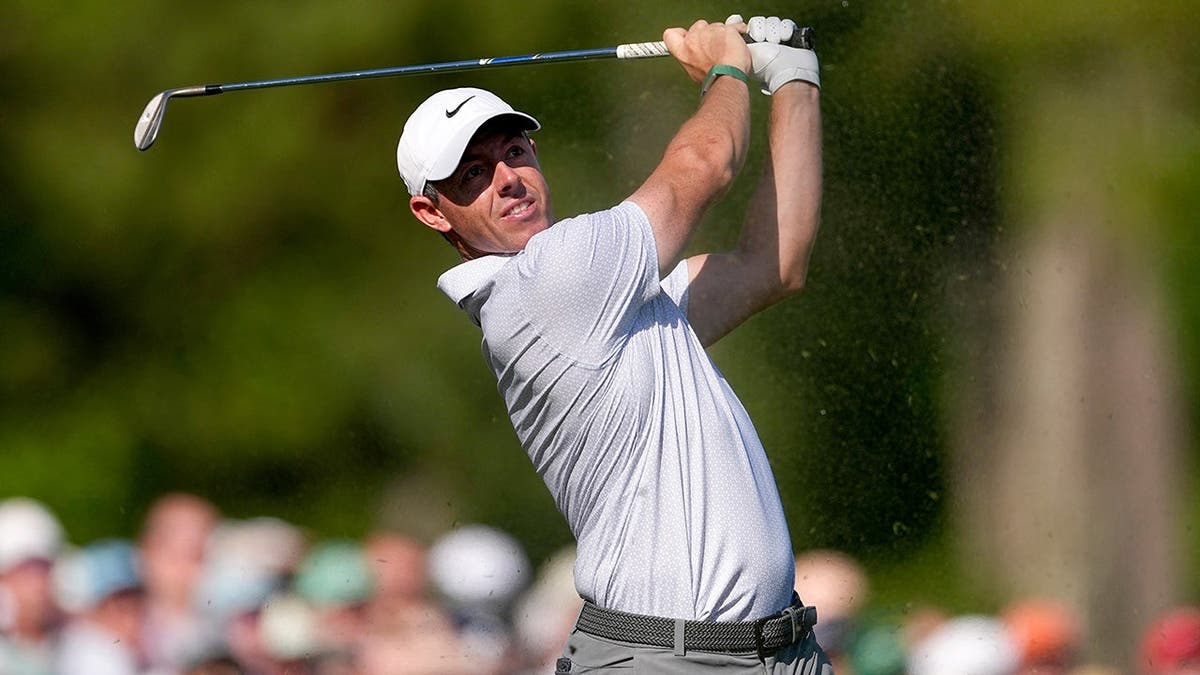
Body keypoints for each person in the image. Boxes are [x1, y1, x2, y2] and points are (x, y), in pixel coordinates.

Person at [397, 13, 826, 674]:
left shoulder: (608, 302)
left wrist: (795, 78)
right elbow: (704, 163)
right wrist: (728, 67)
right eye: (472, 175)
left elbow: (774, 263)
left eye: (514, 151)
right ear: (433, 212)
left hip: (783, 652)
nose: (508, 177)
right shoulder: (549, 279)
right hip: (665, 659)